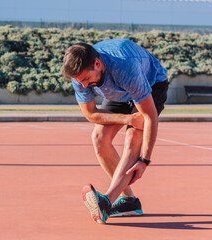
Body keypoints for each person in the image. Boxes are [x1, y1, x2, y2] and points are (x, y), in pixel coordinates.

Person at [62, 39, 168, 224]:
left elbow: (150, 117)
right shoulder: (80, 75)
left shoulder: (125, 66)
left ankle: (107, 201)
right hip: (118, 94)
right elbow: (91, 113)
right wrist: (127, 118)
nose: (84, 86)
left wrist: (144, 160)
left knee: (132, 136)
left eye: (87, 80)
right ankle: (129, 201)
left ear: (97, 64)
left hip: (151, 84)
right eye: (80, 82)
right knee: (98, 137)